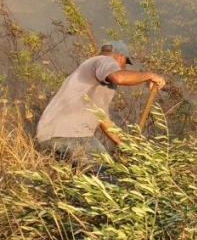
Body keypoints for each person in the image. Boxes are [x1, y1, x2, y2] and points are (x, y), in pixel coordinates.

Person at [36, 40, 165, 172]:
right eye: (125, 63)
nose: (123, 68)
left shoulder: (89, 72)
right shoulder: (104, 61)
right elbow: (118, 78)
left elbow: (102, 118)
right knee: (106, 179)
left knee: (79, 185)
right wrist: (150, 75)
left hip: (48, 136)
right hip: (72, 134)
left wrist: (124, 144)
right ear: (121, 57)